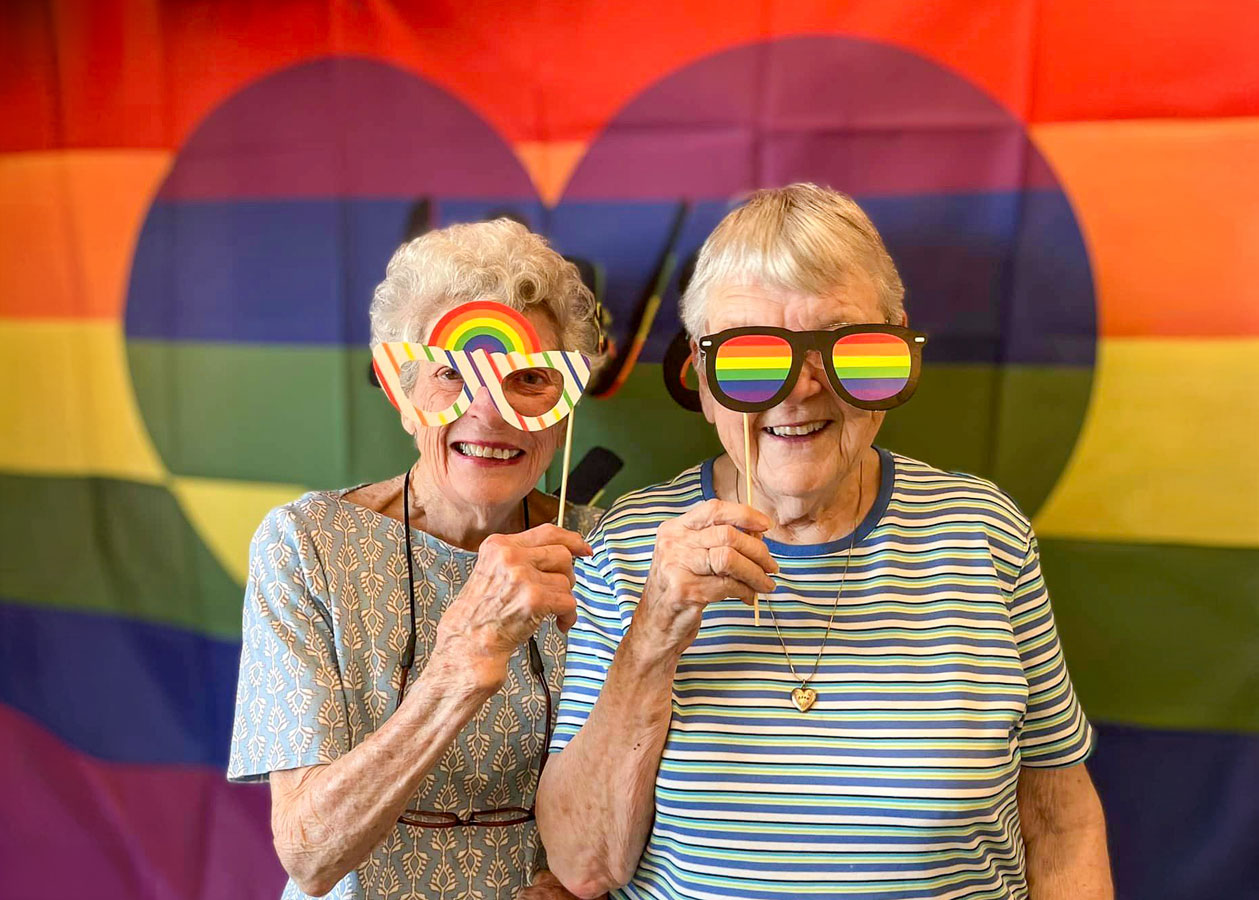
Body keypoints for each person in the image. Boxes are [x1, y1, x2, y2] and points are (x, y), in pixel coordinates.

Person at [537, 183, 1113, 899]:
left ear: (897, 350)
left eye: (848, 349)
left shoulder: (982, 531)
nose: (800, 390)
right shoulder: (629, 547)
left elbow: (1059, 819)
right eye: (750, 358)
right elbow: (583, 866)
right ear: (703, 377)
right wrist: (653, 636)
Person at [228, 219, 602, 900]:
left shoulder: (605, 549)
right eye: (452, 374)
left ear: (563, 407)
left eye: (526, 379)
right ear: (403, 398)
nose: (490, 414)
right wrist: (460, 665)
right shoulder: (308, 544)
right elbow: (309, 856)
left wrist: (582, 886)